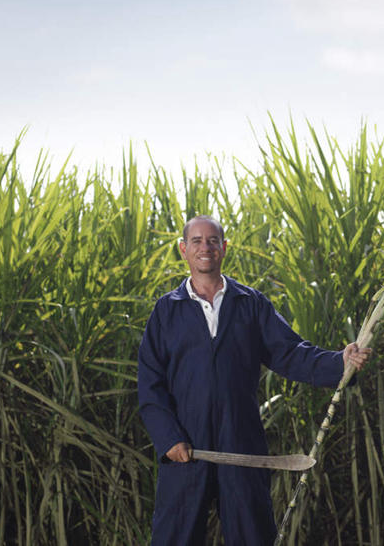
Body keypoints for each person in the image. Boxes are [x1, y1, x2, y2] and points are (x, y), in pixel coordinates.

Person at [137, 215, 371, 545]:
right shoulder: (166, 311)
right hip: (186, 448)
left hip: (241, 443)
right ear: (183, 249)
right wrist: (169, 438)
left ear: (224, 248)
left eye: (213, 241)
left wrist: (340, 363)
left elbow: (291, 353)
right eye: (197, 241)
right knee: (175, 537)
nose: (206, 247)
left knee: (253, 536)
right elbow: (150, 385)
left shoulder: (251, 304)